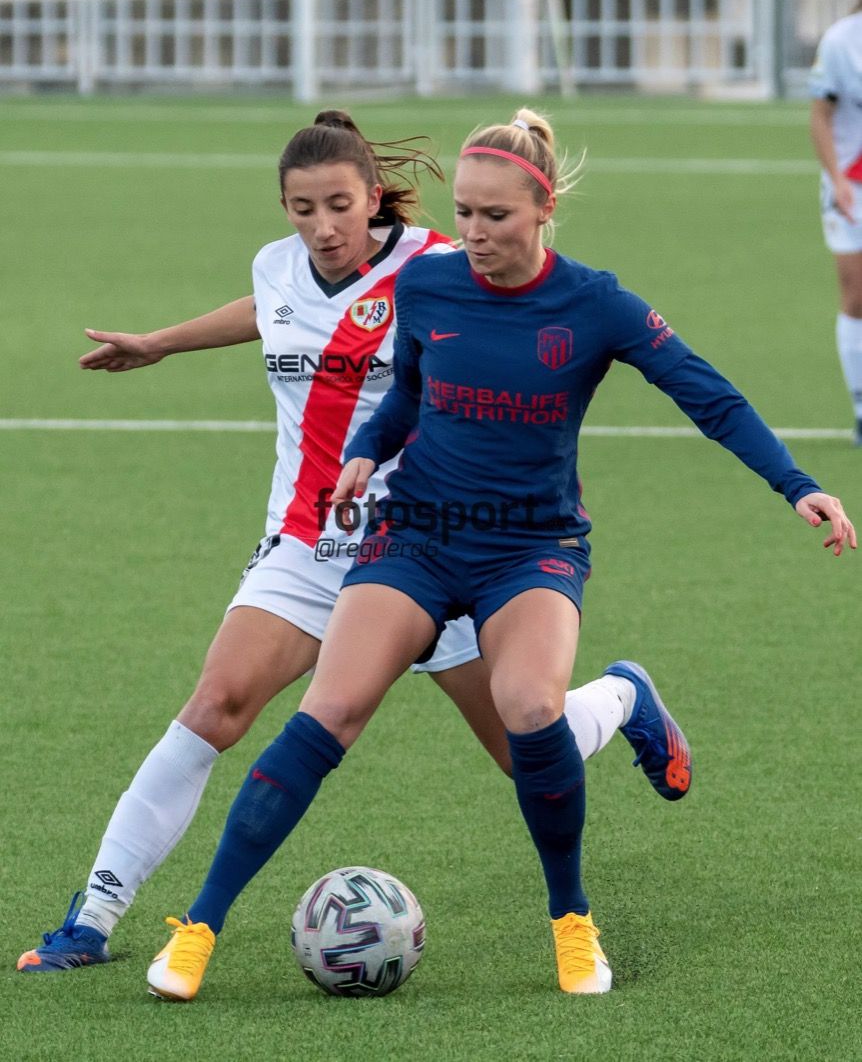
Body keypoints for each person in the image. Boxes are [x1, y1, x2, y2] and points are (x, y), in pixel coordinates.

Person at [143, 108, 855, 1002]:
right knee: (332, 708)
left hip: (529, 547)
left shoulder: (597, 303)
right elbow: (407, 395)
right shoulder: (429, 286)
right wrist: (366, 449)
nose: (474, 233)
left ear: (544, 210)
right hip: (415, 535)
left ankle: (571, 920)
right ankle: (199, 930)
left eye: (496, 216)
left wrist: (797, 485)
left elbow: (709, 397)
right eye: (465, 213)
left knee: (530, 709)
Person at [17, 111, 685, 975]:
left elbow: (528, 307)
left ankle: (624, 697)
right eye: (303, 209)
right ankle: (94, 916)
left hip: (433, 546)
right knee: (215, 705)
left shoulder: (441, 266)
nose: (323, 227)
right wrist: (161, 343)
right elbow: (273, 312)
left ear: (374, 197)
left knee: (526, 746)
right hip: (307, 543)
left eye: (339, 205)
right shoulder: (277, 266)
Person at [809, 0, 862, 446]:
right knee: (857, 295)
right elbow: (821, 115)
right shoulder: (842, 40)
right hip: (852, 186)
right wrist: (837, 179)